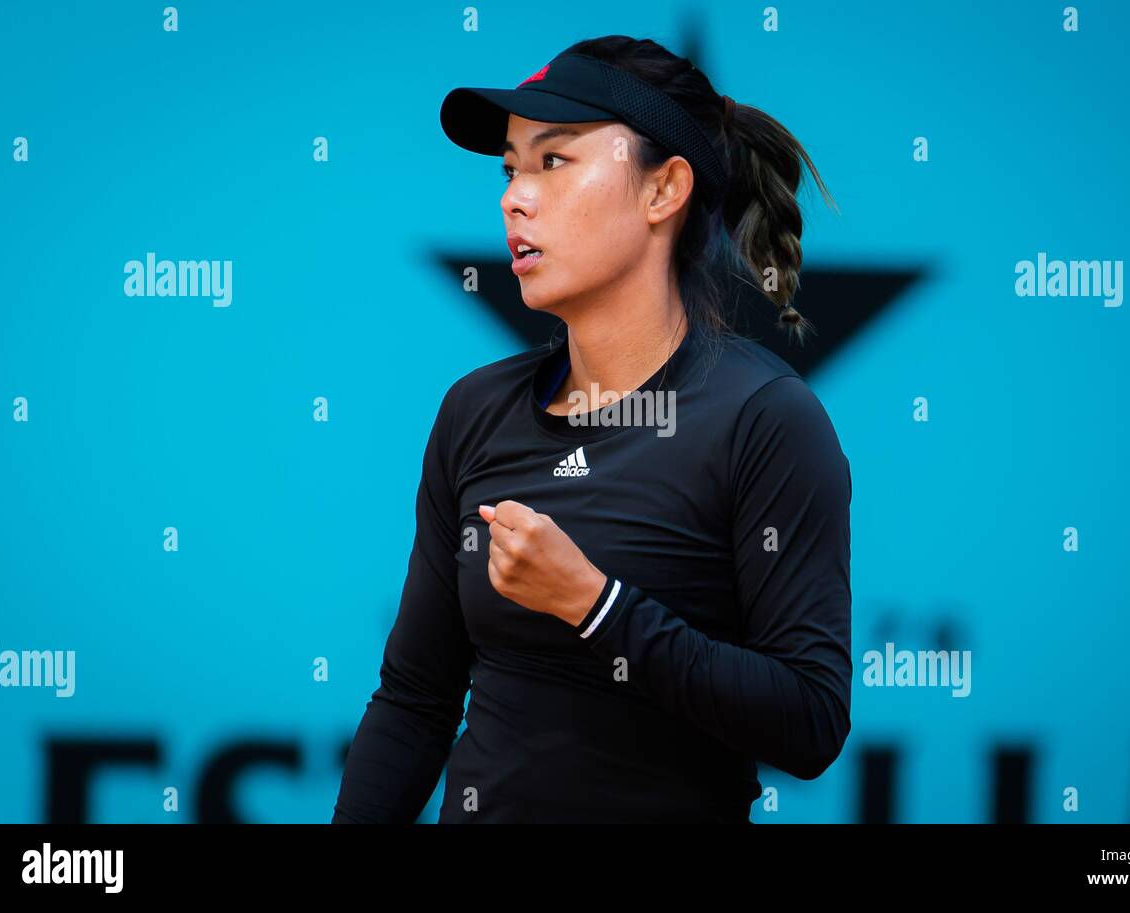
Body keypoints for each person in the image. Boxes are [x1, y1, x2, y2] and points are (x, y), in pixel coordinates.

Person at [332, 34, 852, 824]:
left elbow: (809, 720)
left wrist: (595, 604)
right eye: (510, 168)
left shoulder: (765, 418)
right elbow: (414, 701)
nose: (513, 197)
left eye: (553, 161)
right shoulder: (474, 412)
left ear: (663, 190)